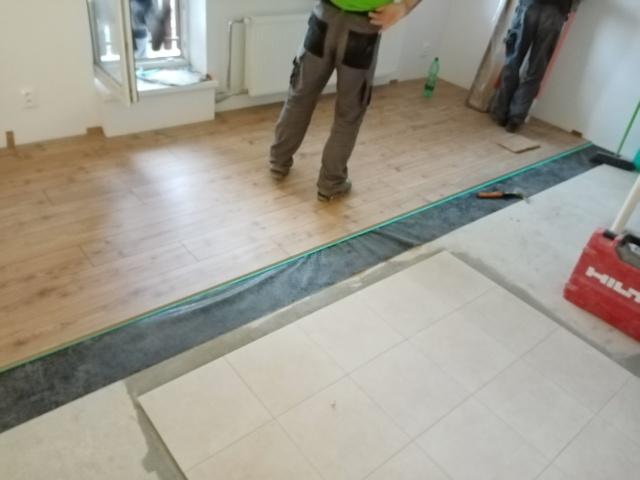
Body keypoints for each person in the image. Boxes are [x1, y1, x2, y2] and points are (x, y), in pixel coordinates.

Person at [270, 0, 423, 202]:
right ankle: (331, 184)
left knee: (299, 99)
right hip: (362, 29)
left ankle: (278, 163)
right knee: (348, 115)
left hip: (325, 17)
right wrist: (403, 7)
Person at [490, 0, 579, 133]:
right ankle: (516, 117)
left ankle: (500, 111)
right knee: (536, 68)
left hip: (529, 5)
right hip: (556, 12)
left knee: (513, 60)